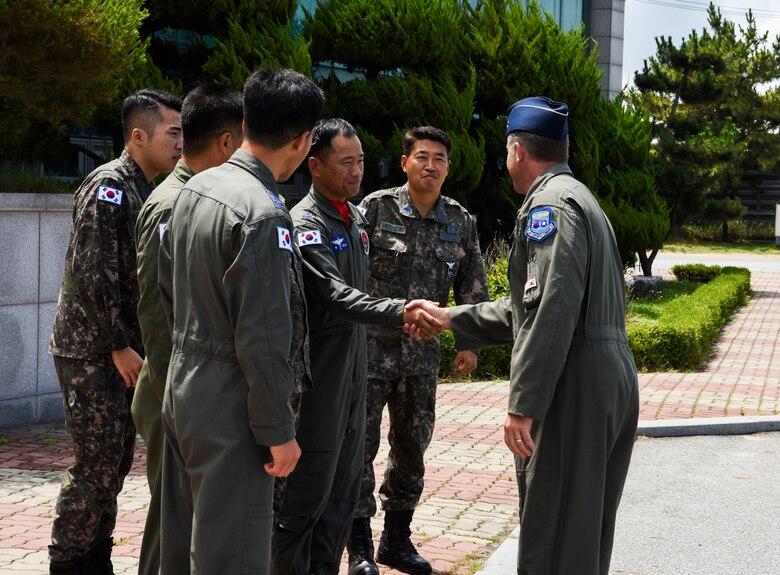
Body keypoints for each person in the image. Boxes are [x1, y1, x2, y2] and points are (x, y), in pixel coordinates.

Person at [407, 97, 640, 575]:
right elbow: (530, 308)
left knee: (552, 533)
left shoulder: (548, 208)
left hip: (573, 380)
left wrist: (525, 403)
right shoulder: (580, 197)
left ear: (516, 151)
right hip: (605, 371)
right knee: (581, 531)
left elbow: (550, 312)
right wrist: (452, 317)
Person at [156, 67, 324, 574]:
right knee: (231, 554)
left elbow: (169, 289)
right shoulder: (263, 212)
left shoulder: (195, 186)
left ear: (247, 120)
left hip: (184, 385)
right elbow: (265, 334)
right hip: (233, 404)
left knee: (185, 547)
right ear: (302, 141)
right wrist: (278, 428)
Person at [271, 119, 442, 575]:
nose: (356, 171)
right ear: (315, 165)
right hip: (321, 375)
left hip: (356, 370)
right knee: (308, 493)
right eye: (346, 162)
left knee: (345, 490)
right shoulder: (305, 223)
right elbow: (334, 294)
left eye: (361, 161)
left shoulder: (356, 218)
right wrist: (400, 310)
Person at [48, 89, 182, 575]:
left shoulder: (145, 188)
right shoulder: (109, 185)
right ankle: (68, 561)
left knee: (114, 462)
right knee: (95, 464)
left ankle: (94, 557)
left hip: (117, 349)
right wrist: (119, 344)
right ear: (138, 135)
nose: (180, 144)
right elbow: (92, 271)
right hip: (93, 350)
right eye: (172, 133)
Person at [349, 126, 490, 575]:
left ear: (449, 167)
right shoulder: (374, 208)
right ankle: (358, 549)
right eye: (422, 156)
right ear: (405, 161)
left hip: (420, 361)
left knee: (411, 449)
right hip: (369, 354)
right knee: (359, 447)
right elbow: (350, 279)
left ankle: (396, 541)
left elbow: (473, 287)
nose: (431, 165)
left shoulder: (460, 220)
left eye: (440, 159)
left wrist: (468, 345)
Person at [131, 84, 243, 575]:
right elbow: (156, 314)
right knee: (171, 521)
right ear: (224, 143)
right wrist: (177, 397)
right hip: (171, 390)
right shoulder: (171, 203)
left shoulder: (201, 197)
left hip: (186, 388)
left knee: (187, 518)